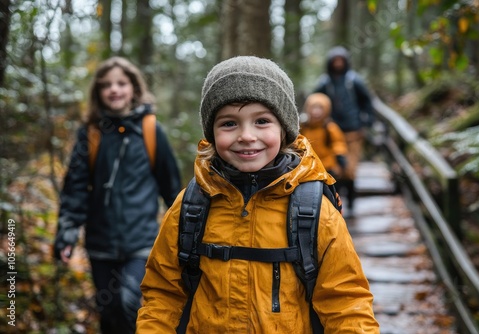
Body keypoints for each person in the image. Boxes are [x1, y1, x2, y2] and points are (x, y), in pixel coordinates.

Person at [136, 56, 379, 332]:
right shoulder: (191, 205)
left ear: (284, 129)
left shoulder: (313, 211)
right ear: (212, 133)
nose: (246, 135)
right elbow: (163, 295)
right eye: (229, 123)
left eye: (262, 121)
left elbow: (346, 304)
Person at [53, 56, 182, 334]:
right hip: (101, 243)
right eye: (107, 85)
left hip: (142, 242)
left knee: (129, 302)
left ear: (134, 89)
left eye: (121, 83)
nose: (114, 89)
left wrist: (186, 233)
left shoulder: (150, 130)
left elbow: (172, 189)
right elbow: (75, 187)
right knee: (109, 312)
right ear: (98, 92)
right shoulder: (91, 134)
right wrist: (67, 230)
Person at [314, 46, 375, 214]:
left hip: (353, 131)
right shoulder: (324, 82)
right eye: (335, 61)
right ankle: (337, 205)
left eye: (341, 60)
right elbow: (315, 101)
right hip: (332, 132)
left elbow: (367, 101)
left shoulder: (354, 80)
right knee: (336, 170)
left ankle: (352, 204)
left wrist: (367, 120)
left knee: (350, 170)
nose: (338, 64)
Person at [300, 92, 348, 181]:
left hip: (327, 167)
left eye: (320, 108)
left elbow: (338, 144)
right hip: (308, 167)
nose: (316, 111)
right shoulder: (304, 127)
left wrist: (340, 160)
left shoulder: (330, 127)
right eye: (313, 107)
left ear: (326, 110)